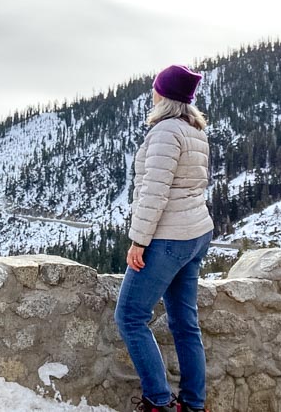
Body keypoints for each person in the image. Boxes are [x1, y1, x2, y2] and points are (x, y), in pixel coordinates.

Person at [114, 64, 214, 412]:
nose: (152, 93)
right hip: (196, 232)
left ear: (163, 95)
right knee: (185, 323)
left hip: (169, 236)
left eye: (155, 88)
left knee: (130, 315)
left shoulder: (164, 133)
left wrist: (139, 241)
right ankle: (193, 404)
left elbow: (154, 193)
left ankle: (159, 402)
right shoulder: (194, 130)